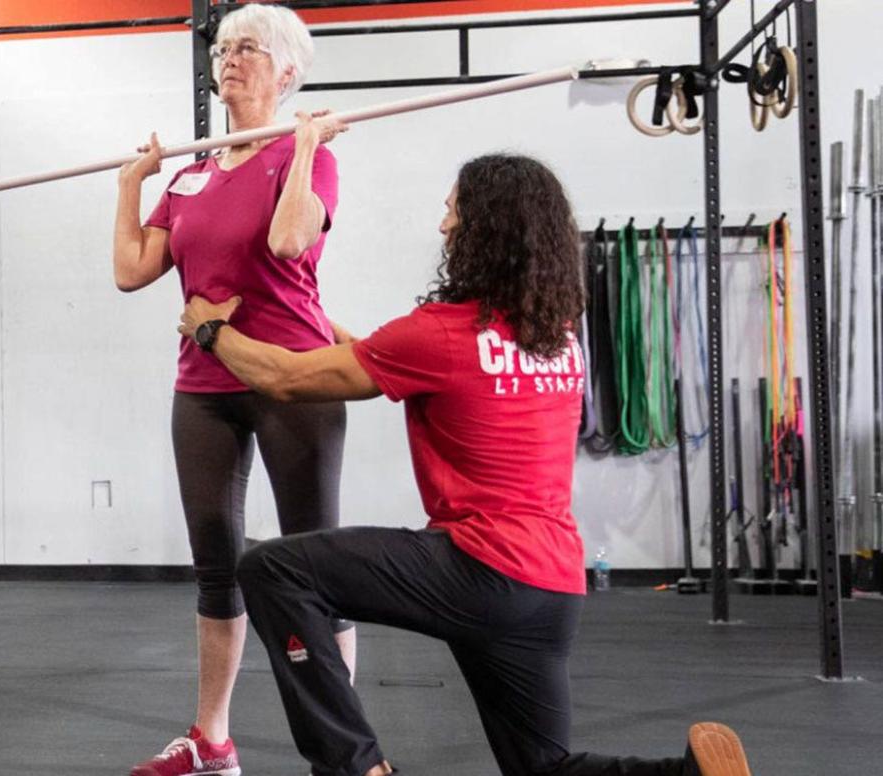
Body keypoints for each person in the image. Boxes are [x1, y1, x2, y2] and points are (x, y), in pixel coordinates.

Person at [176, 154, 753, 776]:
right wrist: (309, 320)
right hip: (553, 586)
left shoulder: (439, 335)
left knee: (274, 568)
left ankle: (355, 766)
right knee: (543, 767)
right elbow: (387, 354)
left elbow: (285, 380)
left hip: (479, 567)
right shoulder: (555, 335)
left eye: (453, 211)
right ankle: (687, 775)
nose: (444, 226)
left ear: (484, 229)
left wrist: (210, 332)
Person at [113, 5, 357, 775]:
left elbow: (288, 241)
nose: (231, 58)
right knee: (217, 563)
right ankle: (212, 742)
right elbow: (131, 270)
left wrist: (306, 140)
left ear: (288, 71)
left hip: (295, 377)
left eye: (250, 48)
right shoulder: (189, 171)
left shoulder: (308, 158)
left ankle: (345, 747)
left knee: (315, 562)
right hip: (206, 383)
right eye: (223, 48)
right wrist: (130, 183)